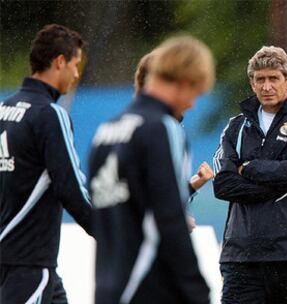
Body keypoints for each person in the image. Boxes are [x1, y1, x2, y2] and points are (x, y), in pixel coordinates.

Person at [88, 36, 215, 304]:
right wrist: (198, 292)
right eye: (196, 92)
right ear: (184, 82)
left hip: (108, 288)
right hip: (148, 286)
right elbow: (169, 218)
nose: (192, 103)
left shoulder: (106, 131)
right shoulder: (162, 128)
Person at [213, 46, 287, 304]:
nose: (266, 86)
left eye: (273, 78)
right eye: (260, 79)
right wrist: (282, 181)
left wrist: (250, 168)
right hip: (242, 256)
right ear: (252, 83)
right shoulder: (234, 128)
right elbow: (223, 185)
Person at [0, 24, 93, 303]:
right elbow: (72, 189)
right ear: (60, 61)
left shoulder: (5, 109)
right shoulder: (51, 115)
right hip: (28, 263)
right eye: (76, 65)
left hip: (12, 257)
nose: (77, 75)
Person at [134, 49, 214, 232]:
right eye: (188, 86)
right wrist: (174, 218)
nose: (192, 101)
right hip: (149, 246)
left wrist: (193, 185)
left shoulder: (120, 125)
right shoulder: (161, 129)